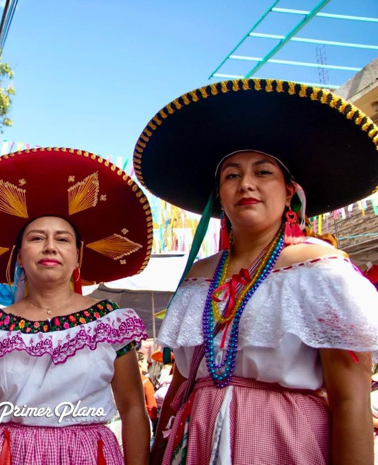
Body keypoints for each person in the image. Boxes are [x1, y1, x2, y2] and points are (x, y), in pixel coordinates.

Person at [133, 78, 378, 465]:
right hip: (192, 441)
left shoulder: (323, 270)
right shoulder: (199, 276)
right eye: (231, 175)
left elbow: (350, 400)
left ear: (289, 191)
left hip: (284, 441)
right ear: (220, 195)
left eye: (263, 172)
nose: (246, 183)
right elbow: (182, 381)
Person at [0, 147, 154, 465]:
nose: (50, 247)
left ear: (78, 256)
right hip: (2, 455)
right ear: (18, 256)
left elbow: (133, 408)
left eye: (63, 239)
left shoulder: (110, 322)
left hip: (87, 456)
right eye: (37, 238)